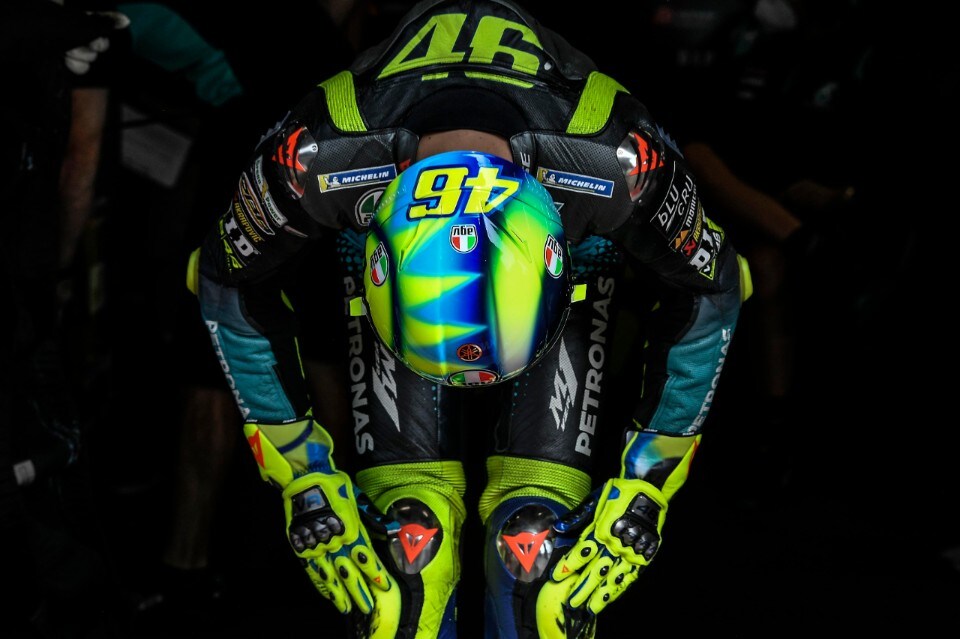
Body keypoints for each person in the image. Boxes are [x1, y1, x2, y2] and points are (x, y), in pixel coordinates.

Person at [188, 0, 749, 637]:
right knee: (405, 562)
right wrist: (302, 472)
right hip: (390, 240)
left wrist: (649, 479)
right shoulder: (311, 160)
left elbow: (715, 286)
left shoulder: (621, 164)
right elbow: (223, 276)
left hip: (578, 238)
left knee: (538, 563)